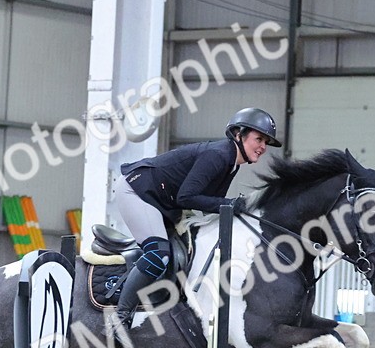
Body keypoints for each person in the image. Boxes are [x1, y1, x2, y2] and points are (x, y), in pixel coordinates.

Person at [112, 106, 282, 326]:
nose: (263, 147)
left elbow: (210, 205)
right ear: (239, 135)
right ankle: (119, 317)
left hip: (161, 200)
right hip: (137, 191)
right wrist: (232, 204)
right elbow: (187, 197)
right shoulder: (218, 155)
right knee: (159, 254)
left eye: (266, 143)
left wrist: (237, 210)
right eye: (259, 139)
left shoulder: (231, 163)